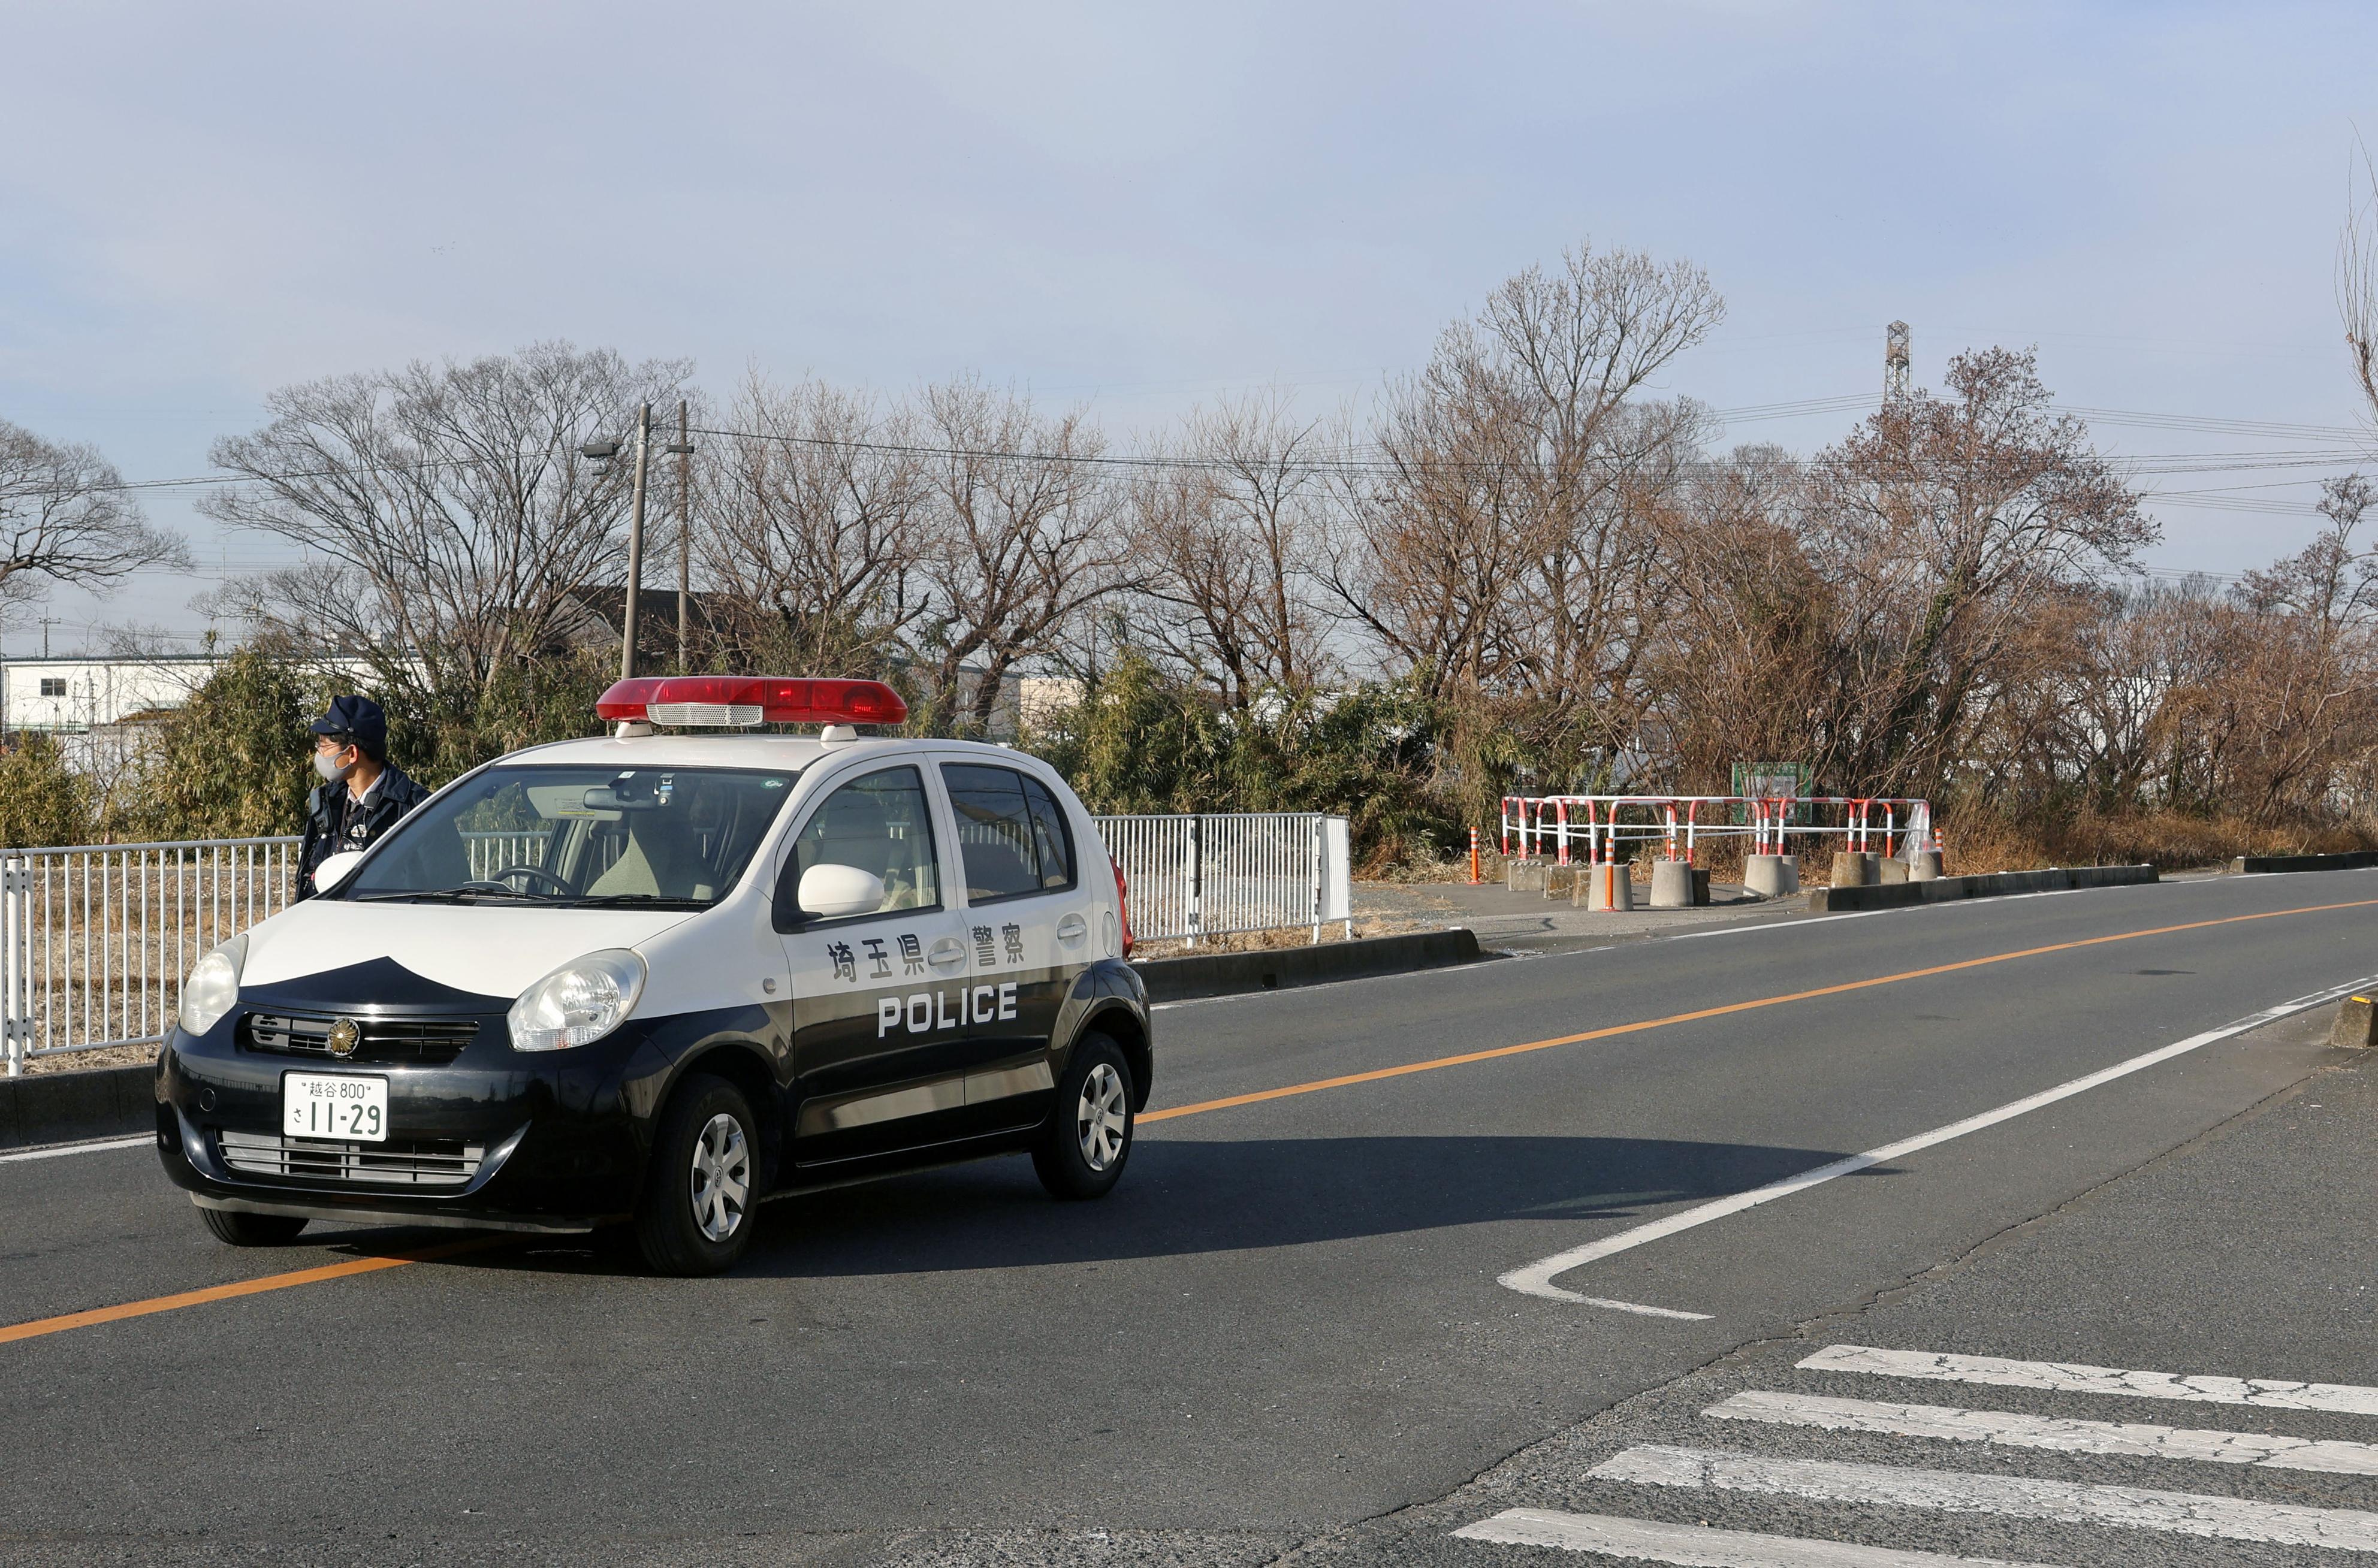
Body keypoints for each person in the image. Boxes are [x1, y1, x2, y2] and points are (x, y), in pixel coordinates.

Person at [295, 695, 432, 899]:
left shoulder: (418, 808)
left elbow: (445, 883)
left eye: (324, 746)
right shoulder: (326, 803)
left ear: (352, 753)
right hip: (327, 925)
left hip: (389, 926)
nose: (318, 753)